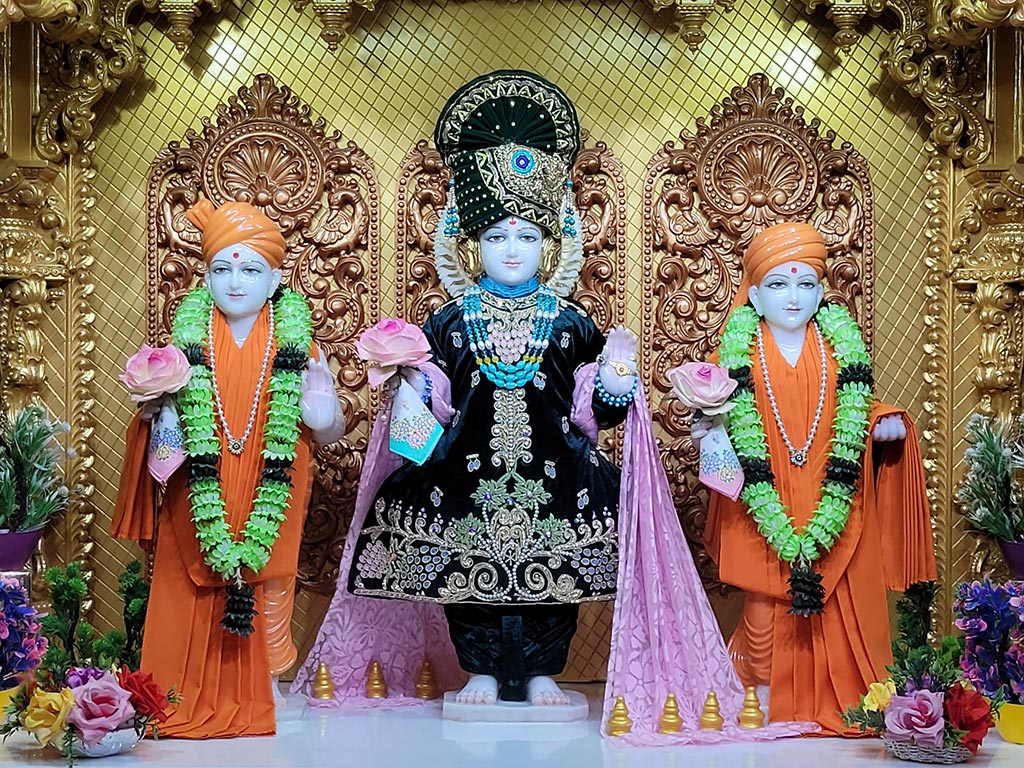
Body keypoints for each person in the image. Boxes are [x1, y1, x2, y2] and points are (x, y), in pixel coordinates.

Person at [295, 71, 813, 746]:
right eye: (501, 238)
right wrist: (407, 387)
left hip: (558, 472)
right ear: (473, 245)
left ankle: (544, 670)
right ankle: (479, 668)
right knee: (464, 575)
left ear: (552, 246)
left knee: (556, 580)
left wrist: (619, 382)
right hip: (464, 473)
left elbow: (594, 412)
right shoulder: (449, 320)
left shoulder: (571, 322)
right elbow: (436, 411)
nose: (514, 250)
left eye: (528, 238)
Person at [111, 199, 345, 738]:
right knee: (186, 578)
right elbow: (159, 436)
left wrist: (324, 410)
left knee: (270, 583)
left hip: (273, 483)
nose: (235, 282)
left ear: (275, 278)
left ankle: (266, 685)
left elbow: (327, 429)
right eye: (222, 269)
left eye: (250, 269)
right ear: (206, 275)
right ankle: (178, 693)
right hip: (200, 489)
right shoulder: (182, 346)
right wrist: (153, 413)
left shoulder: (298, 342)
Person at [699, 221, 937, 735]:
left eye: (805, 284)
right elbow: (713, 414)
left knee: (838, 596)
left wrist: (881, 423)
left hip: (832, 493)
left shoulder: (838, 351)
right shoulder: (737, 353)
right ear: (756, 296)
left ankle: (844, 700)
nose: (793, 297)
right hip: (763, 506)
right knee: (763, 611)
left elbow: (855, 408)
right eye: (779, 285)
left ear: (822, 293)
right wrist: (705, 422)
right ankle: (759, 699)